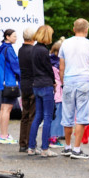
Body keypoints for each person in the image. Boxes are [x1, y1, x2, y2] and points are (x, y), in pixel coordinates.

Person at [58, 18, 89, 158]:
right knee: (81, 116)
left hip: (68, 81)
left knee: (67, 115)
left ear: (73, 29)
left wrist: (63, 82)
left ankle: (67, 146)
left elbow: (61, 67)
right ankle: (76, 149)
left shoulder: (65, 44)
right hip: (84, 81)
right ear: (87, 30)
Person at [27, 24, 56, 157]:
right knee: (47, 117)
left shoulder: (33, 49)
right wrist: (54, 82)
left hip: (36, 85)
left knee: (37, 116)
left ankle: (31, 147)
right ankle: (45, 148)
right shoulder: (44, 51)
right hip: (46, 85)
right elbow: (48, 69)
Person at [0, 29, 20, 143]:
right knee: (7, 108)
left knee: (3, 108)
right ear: (7, 37)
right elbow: (16, 66)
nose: (16, 38)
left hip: (3, 81)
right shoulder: (9, 49)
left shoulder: (3, 48)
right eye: (14, 36)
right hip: (9, 82)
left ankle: (3, 134)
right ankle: (4, 136)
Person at [16, 26, 38, 153]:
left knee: (24, 115)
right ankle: (30, 143)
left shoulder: (20, 50)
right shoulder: (34, 50)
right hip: (33, 84)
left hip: (24, 84)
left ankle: (22, 143)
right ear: (33, 37)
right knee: (32, 115)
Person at [49, 38, 64, 148]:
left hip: (50, 91)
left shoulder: (48, 61)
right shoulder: (59, 64)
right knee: (57, 116)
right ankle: (53, 139)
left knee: (50, 115)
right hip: (58, 92)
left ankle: (52, 137)